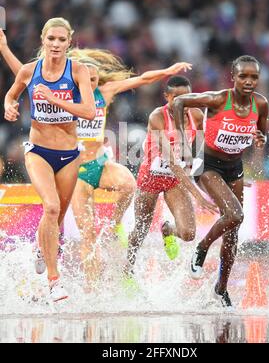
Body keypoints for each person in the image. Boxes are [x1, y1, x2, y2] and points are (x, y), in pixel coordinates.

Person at [0, 30, 193, 284]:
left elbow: (142, 80)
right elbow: (24, 74)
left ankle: (115, 225)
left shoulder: (106, 91)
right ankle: (88, 285)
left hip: (100, 164)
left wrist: (168, 71)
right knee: (88, 234)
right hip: (75, 169)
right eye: (86, 79)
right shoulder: (63, 90)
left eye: (94, 79)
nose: (90, 84)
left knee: (129, 184)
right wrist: (4, 48)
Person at [3, 17, 96, 302]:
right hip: (39, 152)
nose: (56, 44)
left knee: (57, 217)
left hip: (69, 155)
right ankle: (55, 281)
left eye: (61, 40)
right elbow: (11, 94)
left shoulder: (78, 71)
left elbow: (89, 112)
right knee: (52, 208)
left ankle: (39, 247)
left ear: (70, 42)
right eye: (51, 39)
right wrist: (9, 106)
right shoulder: (30, 72)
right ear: (43, 39)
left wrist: (55, 100)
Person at [173, 55, 268, 307]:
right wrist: (183, 141)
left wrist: (261, 139)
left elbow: (262, 133)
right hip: (207, 163)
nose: (249, 81)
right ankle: (201, 249)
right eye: (243, 76)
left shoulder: (261, 103)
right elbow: (180, 101)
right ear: (233, 77)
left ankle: (221, 289)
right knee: (235, 215)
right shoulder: (217, 99)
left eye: (254, 77)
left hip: (234, 166)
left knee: (233, 232)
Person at [123, 75, 217, 283]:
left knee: (189, 233)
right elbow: (172, 162)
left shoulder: (197, 116)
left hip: (176, 180)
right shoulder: (157, 117)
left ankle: (168, 230)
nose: (183, 104)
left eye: (189, 98)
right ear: (167, 97)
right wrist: (199, 196)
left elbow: (199, 154)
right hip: (151, 177)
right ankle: (128, 269)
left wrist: (217, 176)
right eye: (178, 98)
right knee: (141, 229)